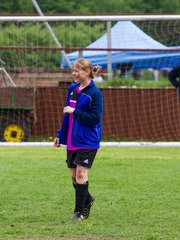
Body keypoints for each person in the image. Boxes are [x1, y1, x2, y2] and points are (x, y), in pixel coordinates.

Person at [53, 58, 103, 220]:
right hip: (72, 139)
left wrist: (74, 111)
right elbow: (67, 115)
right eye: (73, 71)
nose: (74, 74)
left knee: (81, 174)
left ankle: (79, 212)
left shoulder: (94, 94)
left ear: (87, 72)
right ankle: (88, 199)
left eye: (77, 70)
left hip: (88, 140)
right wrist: (60, 135)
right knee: (74, 177)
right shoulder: (73, 89)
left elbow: (94, 118)